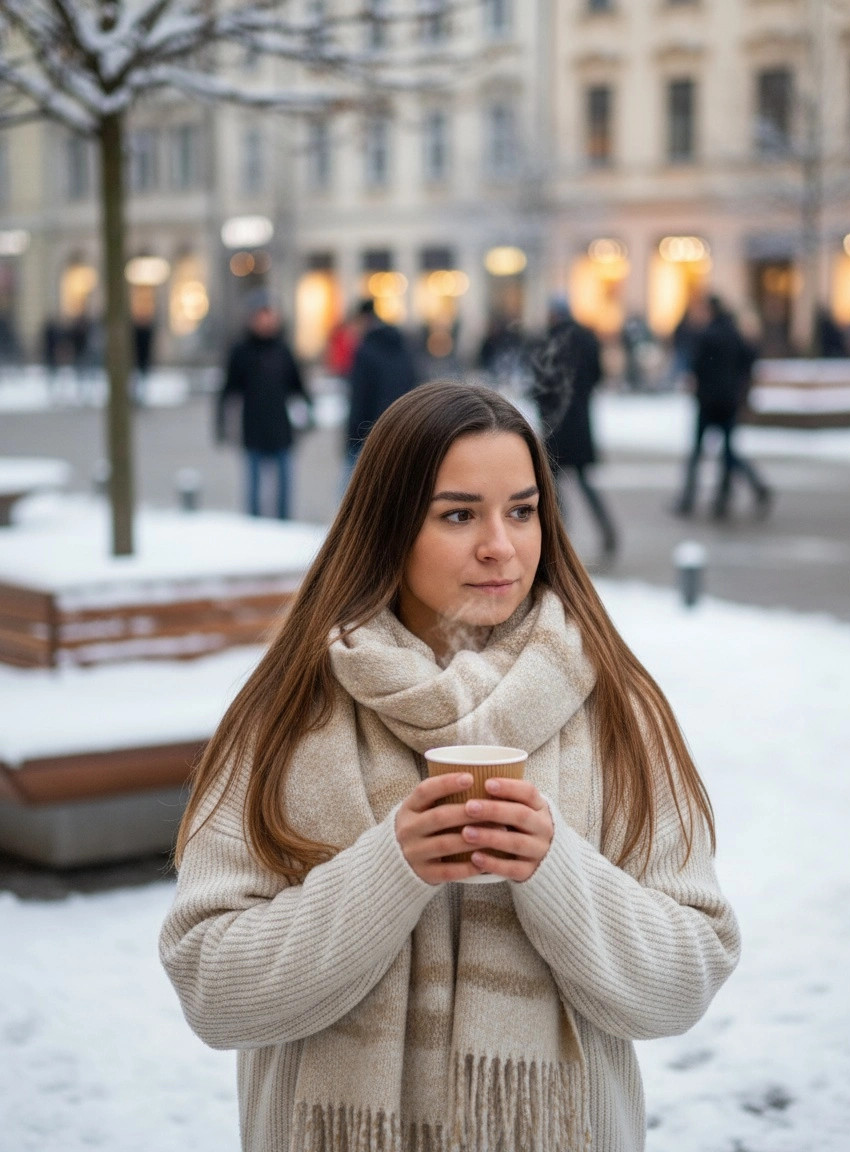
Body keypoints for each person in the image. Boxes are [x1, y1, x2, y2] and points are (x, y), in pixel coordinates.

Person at [160, 379, 740, 1152]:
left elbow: (684, 980)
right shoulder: (287, 713)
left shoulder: (616, 709)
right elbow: (212, 989)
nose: (501, 545)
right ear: (388, 527)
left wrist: (556, 869)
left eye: (524, 511)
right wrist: (389, 869)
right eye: (459, 514)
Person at [531, 295, 618, 558]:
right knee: (580, 482)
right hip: (579, 422)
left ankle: (559, 539)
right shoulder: (586, 339)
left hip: (556, 424)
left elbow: (541, 386)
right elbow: (597, 376)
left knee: (552, 485)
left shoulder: (551, 342)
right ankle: (606, 533)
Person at [672, 294, 773, 520]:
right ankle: (727, 496)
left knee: (698, 453)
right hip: (729, 401)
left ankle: (689, 498)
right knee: (728, 452)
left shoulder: (706, 336)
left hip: (708, 402)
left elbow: (697, 368)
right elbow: (749, 361)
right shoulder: (735, 334)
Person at [217, 289, 312, 520]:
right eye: (261, 315)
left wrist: (309, 412)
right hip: (254, 430)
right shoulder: (241, 352)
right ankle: (254, 528)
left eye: (270, 315)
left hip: (281, 429)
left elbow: (297, 386)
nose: (266, 321)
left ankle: (284, 525)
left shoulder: (283, 350)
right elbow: (228, 391)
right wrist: (222, 424)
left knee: (284, 489)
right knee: (253, 490)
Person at [344, 297, 419, 476]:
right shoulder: (402, 346)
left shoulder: (366, 351)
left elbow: (359, 397)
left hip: (368, 433)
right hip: (400, 428)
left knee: (354, 492)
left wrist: (351, 439)